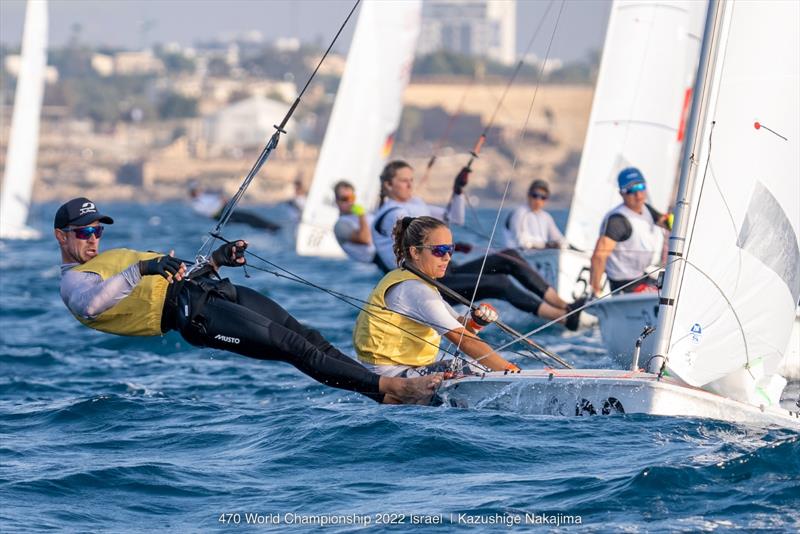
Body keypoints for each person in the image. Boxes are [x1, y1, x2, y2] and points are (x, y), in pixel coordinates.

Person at [54, 197, 440, 405]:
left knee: (307, 335)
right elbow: (91, 305)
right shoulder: (73, 282)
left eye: (97, 231)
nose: (92, 239)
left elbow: (179, 274)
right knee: (292, 348)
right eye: (84, 232)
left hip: (211, 290)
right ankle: (394, 387)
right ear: (61, 237)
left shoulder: (107, 258)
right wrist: (145, 268)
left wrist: (219, 260)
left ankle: (382, 392)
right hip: (195, 315)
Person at [372, 160, 582, 329]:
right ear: (388, 185)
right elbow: (422, 236)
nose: (410, 184)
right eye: (404, 181)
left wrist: (458, 190)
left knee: (507, 257)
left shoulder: (415, 203)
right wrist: (445, 245)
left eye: (411, 179)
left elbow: (455, 218)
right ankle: (563, 317)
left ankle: (564, 304)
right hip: (425, 283)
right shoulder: (390, 215)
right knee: (499, 283)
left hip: (445, 272)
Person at [354, 216, 519, 377]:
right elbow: (466, 342)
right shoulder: (415, 289)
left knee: (473, 367)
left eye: (450, 249)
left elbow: (462, 328)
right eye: (439, 250)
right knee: (472, 369)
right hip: (392, 377)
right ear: (415, 252)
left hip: (398, 372)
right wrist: (514, 373)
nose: (447, 257)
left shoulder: (410, 279)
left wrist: (476, 322)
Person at [589, 167, 671, 296]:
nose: (638, 195)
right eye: (631, 190)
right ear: (621, 193)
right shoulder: (617, 220)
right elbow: (598, 257)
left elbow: (666, 222)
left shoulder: (646, 209)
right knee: (665, 296)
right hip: (624, 285)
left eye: (640, 187)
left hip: (640, 276)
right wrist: (595, 290)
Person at [188, 182, 280, 232]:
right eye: (197, 190)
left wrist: (221, 197)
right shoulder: (195, 205)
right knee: (246, 218)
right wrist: (221, 202)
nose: (199, 190)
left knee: (248, 217)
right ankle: (268, 227)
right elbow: (209, 212)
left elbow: (217, 196)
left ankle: (268, 226)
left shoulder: (204, 195)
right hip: (220, 216)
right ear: (193, 192)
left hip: (225, 210)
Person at [504, 179, 564, 250]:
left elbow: (558, 238)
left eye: (543, 197)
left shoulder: (546, 217)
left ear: (546, 200)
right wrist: (545, 245)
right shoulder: (519, 213)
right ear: (528, 195)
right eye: (535, 195)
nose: (538, 200)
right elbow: (521, 241)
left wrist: (562, 244)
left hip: (540, 254)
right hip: (517, 255)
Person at [332, 180, 375, 263]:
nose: (350, 202)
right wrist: (361, 215)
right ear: (337, 201)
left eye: (352, 198)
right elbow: (365, 238)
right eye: (345, 199)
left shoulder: (366, 215)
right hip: (369, 267)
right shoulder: (340, 225)